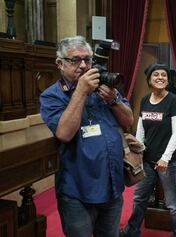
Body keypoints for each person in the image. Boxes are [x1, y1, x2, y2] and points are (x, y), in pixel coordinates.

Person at [40, 36, 134, 237]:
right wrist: (81, 91)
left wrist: (113, 101)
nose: (83, 66)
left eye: (88, 60)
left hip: (112, 185)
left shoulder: (103, 86)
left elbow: (128, 121)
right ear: (60, 63)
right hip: (78, 191)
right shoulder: (51, 96)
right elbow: (64, 134)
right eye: (75, 60)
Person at [120, 63, 176, 237]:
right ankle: (131, 230)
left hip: (169, 162)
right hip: (148, 161)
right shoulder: (144, 100)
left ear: (168, 79)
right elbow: (141, 130)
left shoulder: (174, 100)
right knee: (139, 198)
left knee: (173, 204)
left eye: (163, 75)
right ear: (149, 79)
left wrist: (165, 158)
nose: (160, 78)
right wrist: (138, 153)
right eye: (156, 75)